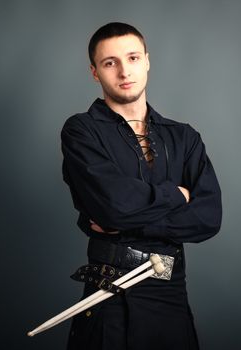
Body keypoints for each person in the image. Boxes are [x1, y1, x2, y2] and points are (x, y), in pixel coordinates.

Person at [61, 22, 222, 350]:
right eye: (110, 63)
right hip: (110, 291)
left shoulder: (184, 137)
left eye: (132, 58)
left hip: (170, 294)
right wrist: (177, 195)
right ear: (95, 73)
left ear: (147, 60)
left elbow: (208, 217)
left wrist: (123, 223)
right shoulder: (81, 131)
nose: (124, 71)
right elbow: (113, 205)